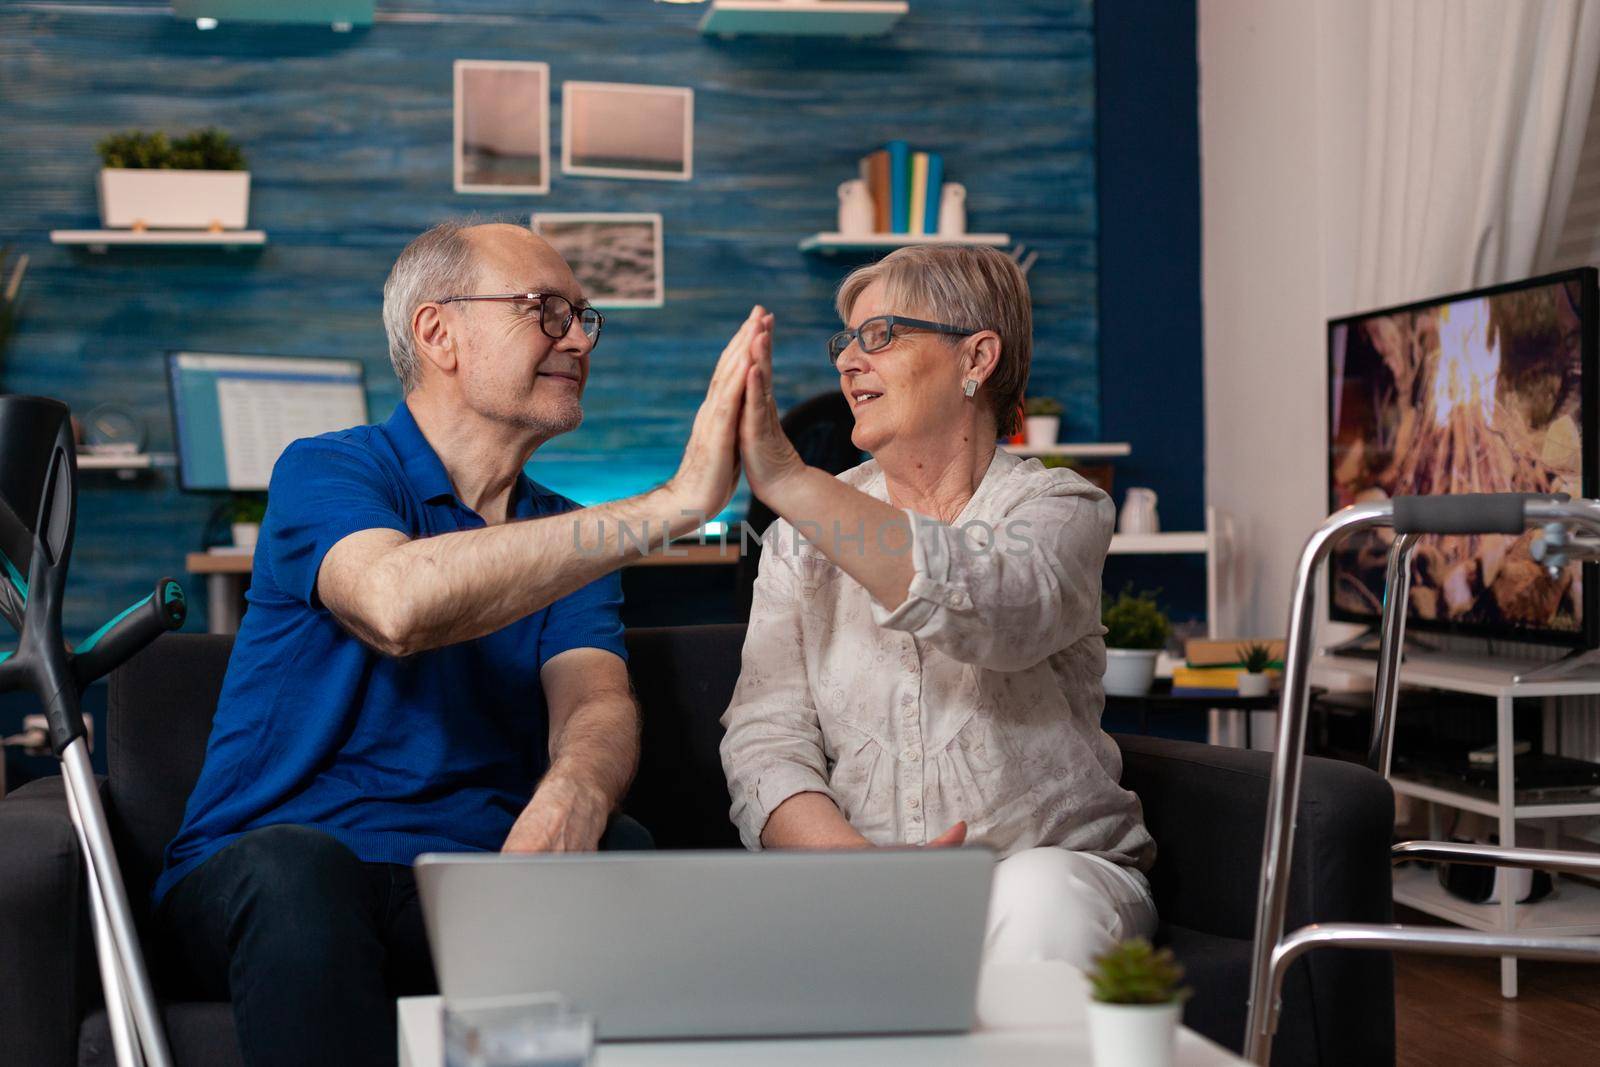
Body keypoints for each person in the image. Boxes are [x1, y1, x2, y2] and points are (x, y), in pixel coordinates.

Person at [156, 220, 760, 1067]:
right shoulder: (330, 469)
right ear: (438, 332)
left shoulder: (563, 532)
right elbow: (396, 604)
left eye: (585, 318)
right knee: (300, 871)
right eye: (546, 311)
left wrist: (577, 793)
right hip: (273, 875)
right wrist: (665, 507)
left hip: (472, 881)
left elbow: (595, 699)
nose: (578, 338)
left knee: (623, 849)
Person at [720, 244, 1157, 967]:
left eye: (880, 335)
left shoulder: (1062, 508)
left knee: (1037, 897)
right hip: (859, 884)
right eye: (846, 343)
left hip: (1048, 871)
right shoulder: (799, 544)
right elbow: (766, 741)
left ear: (976, 357)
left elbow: (999, 606)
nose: (849, 362)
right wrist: (865, 872)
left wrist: (789, 481)